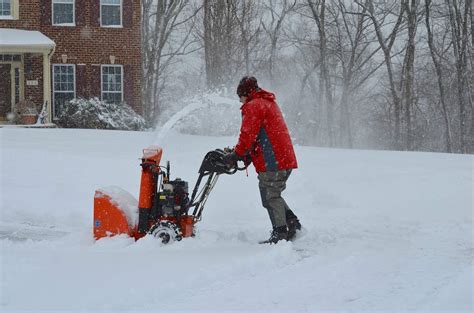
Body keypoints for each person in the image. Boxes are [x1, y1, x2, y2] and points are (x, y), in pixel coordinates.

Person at [224, 76, 301, 244]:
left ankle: (280, 233)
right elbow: (261, 135)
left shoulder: (253, 106)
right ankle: (292, 222)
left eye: (240, 97)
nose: (240, 101)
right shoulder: (267, 102)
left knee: (269, 196)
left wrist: (237, 154)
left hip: (273, 160)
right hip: (282, 157)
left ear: (245, 93)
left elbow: (248, 135)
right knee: (273, 194)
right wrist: (246, 155)